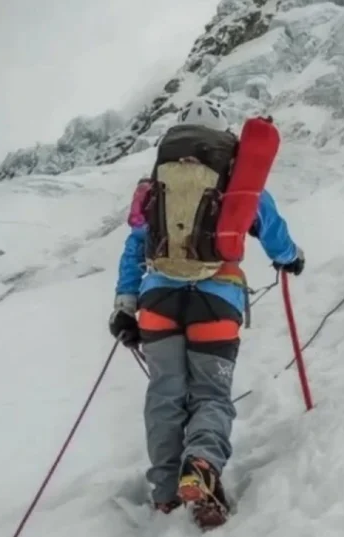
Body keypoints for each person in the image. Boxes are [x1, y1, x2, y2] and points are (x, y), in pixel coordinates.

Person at [107, 98, 305, 526]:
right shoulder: (238, 179)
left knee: (165, 395)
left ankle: (165, 493)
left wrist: (125, 306)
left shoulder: (157, 182)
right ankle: (201, 467)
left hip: (158, 303)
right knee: (210, 395)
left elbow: (134, 247)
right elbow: (271, 229)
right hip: (217, 301)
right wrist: (290, 258)